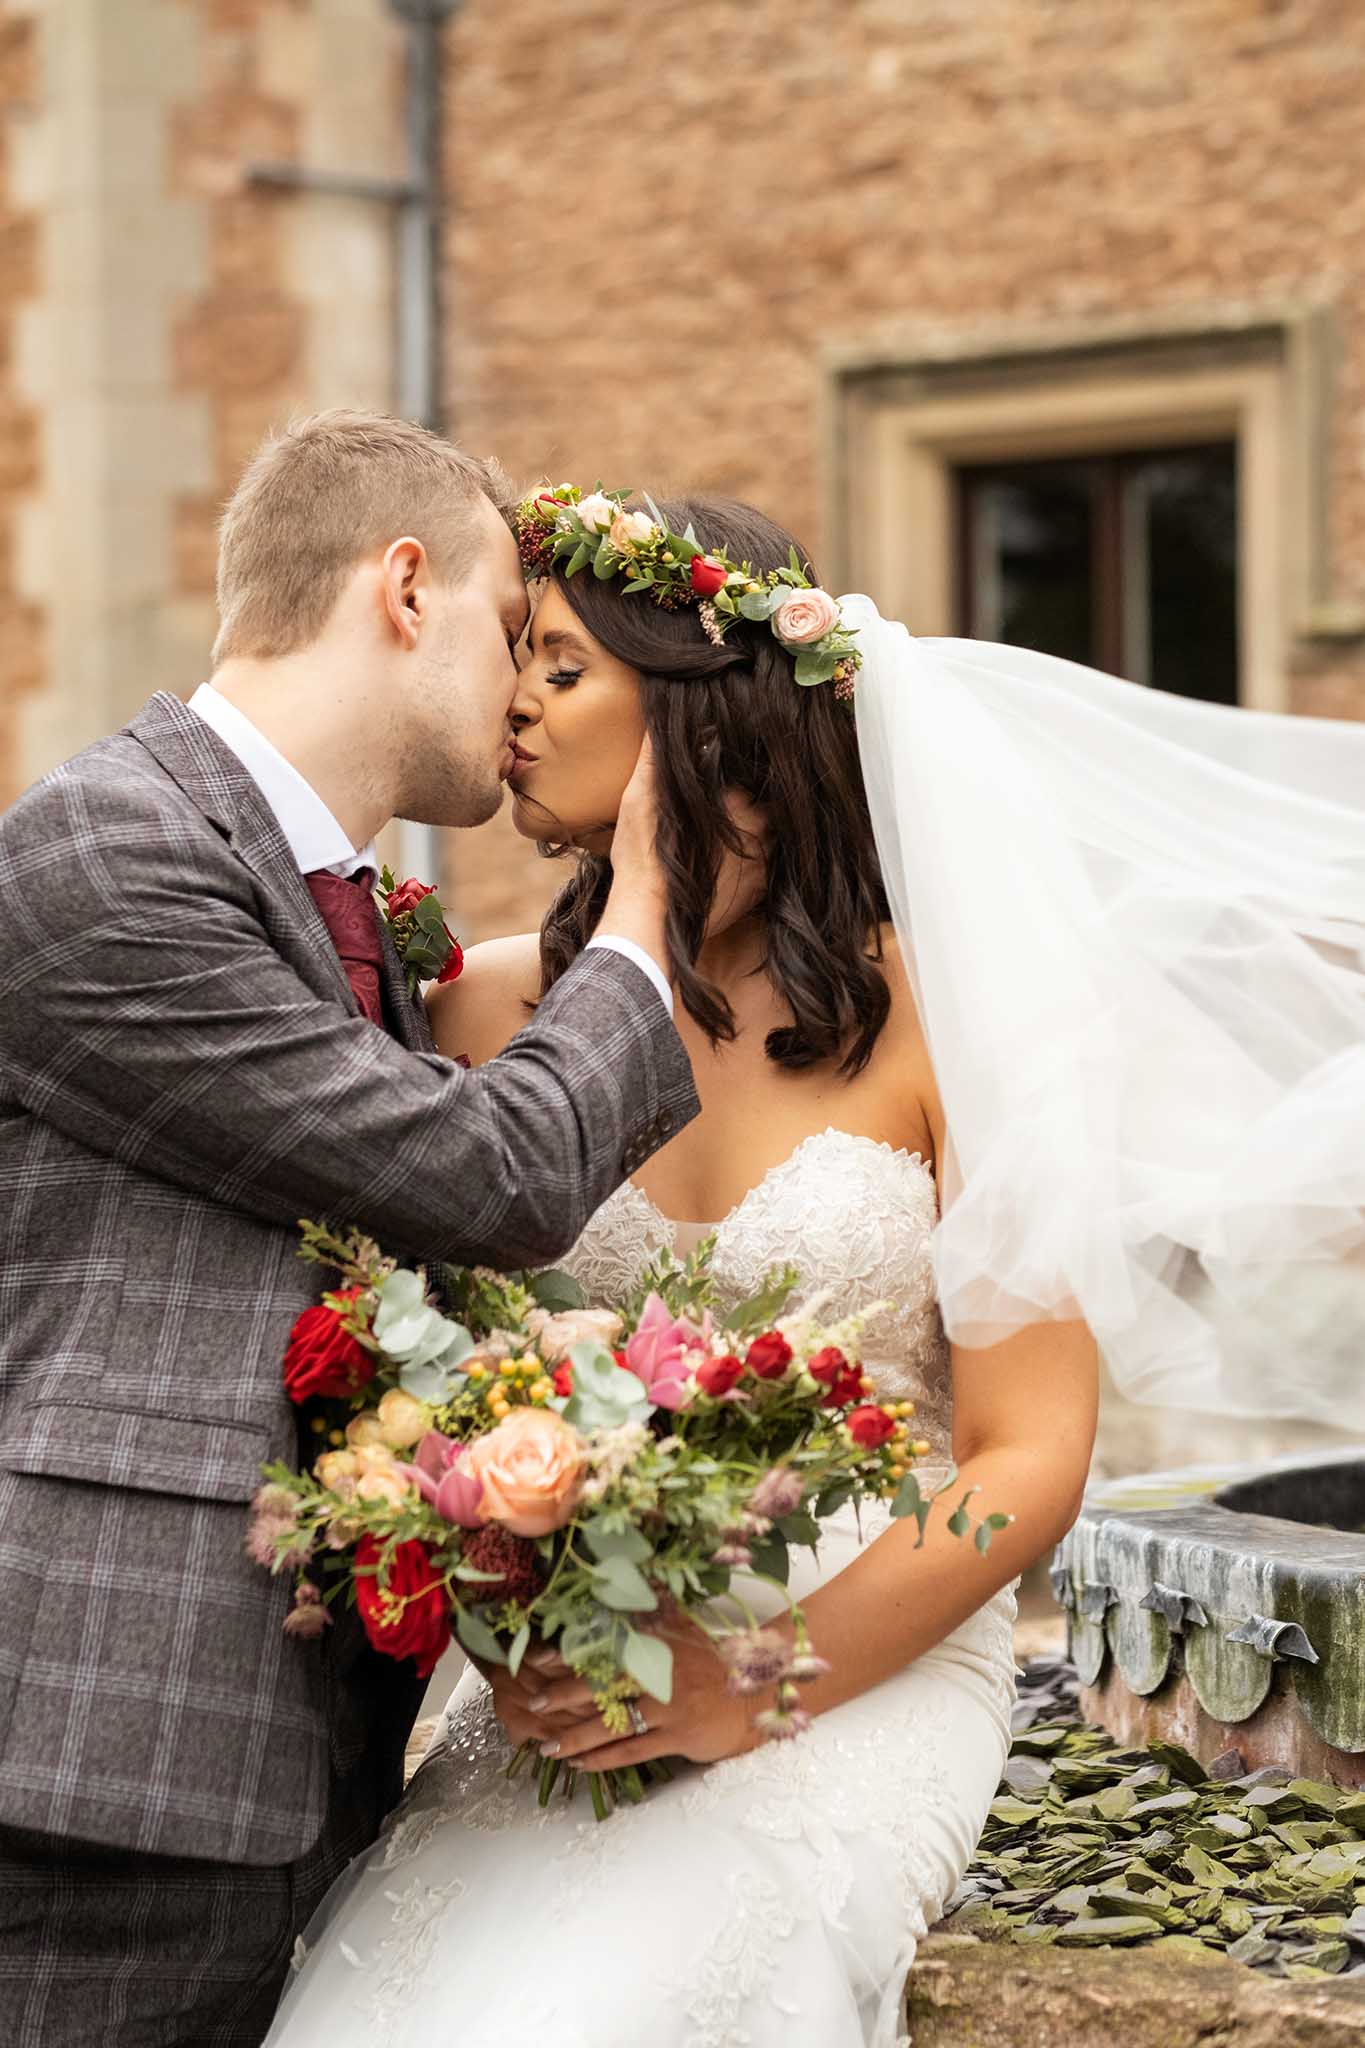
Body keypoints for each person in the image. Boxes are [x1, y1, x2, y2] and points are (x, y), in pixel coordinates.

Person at [265, 496, 1100, 2048]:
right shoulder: (478, 1011)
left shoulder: (954, 1018)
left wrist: (751, 1681)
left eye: (559, 666)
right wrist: (511, 1604)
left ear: (706, 715)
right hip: (569, 1679)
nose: (508, 701)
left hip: (855, 1660)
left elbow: (1030, 1453)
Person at [0, 416, 700, 2048]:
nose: (522, 693)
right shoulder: (104, 853)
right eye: (512, 632)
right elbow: (491, 1178)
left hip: (275, 1741)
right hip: (94, 1754)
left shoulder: (335, 902)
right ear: (405, 590)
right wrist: (650, 908)